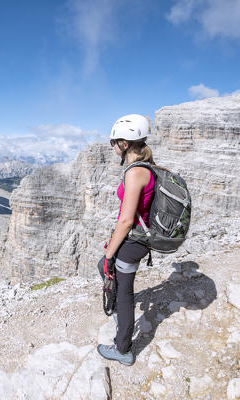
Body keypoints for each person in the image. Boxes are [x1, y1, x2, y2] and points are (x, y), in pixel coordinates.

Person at [97, 114, 156, 366]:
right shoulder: (145, 167)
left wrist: (111, 254)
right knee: (104, 268)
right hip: (135, 240)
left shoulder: (136, 173)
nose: (112, 147)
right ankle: (123, 317)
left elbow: (126, 221)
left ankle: (123, 350)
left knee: (124, 294)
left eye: (114, 142)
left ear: (124, 144)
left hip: (133, 243)